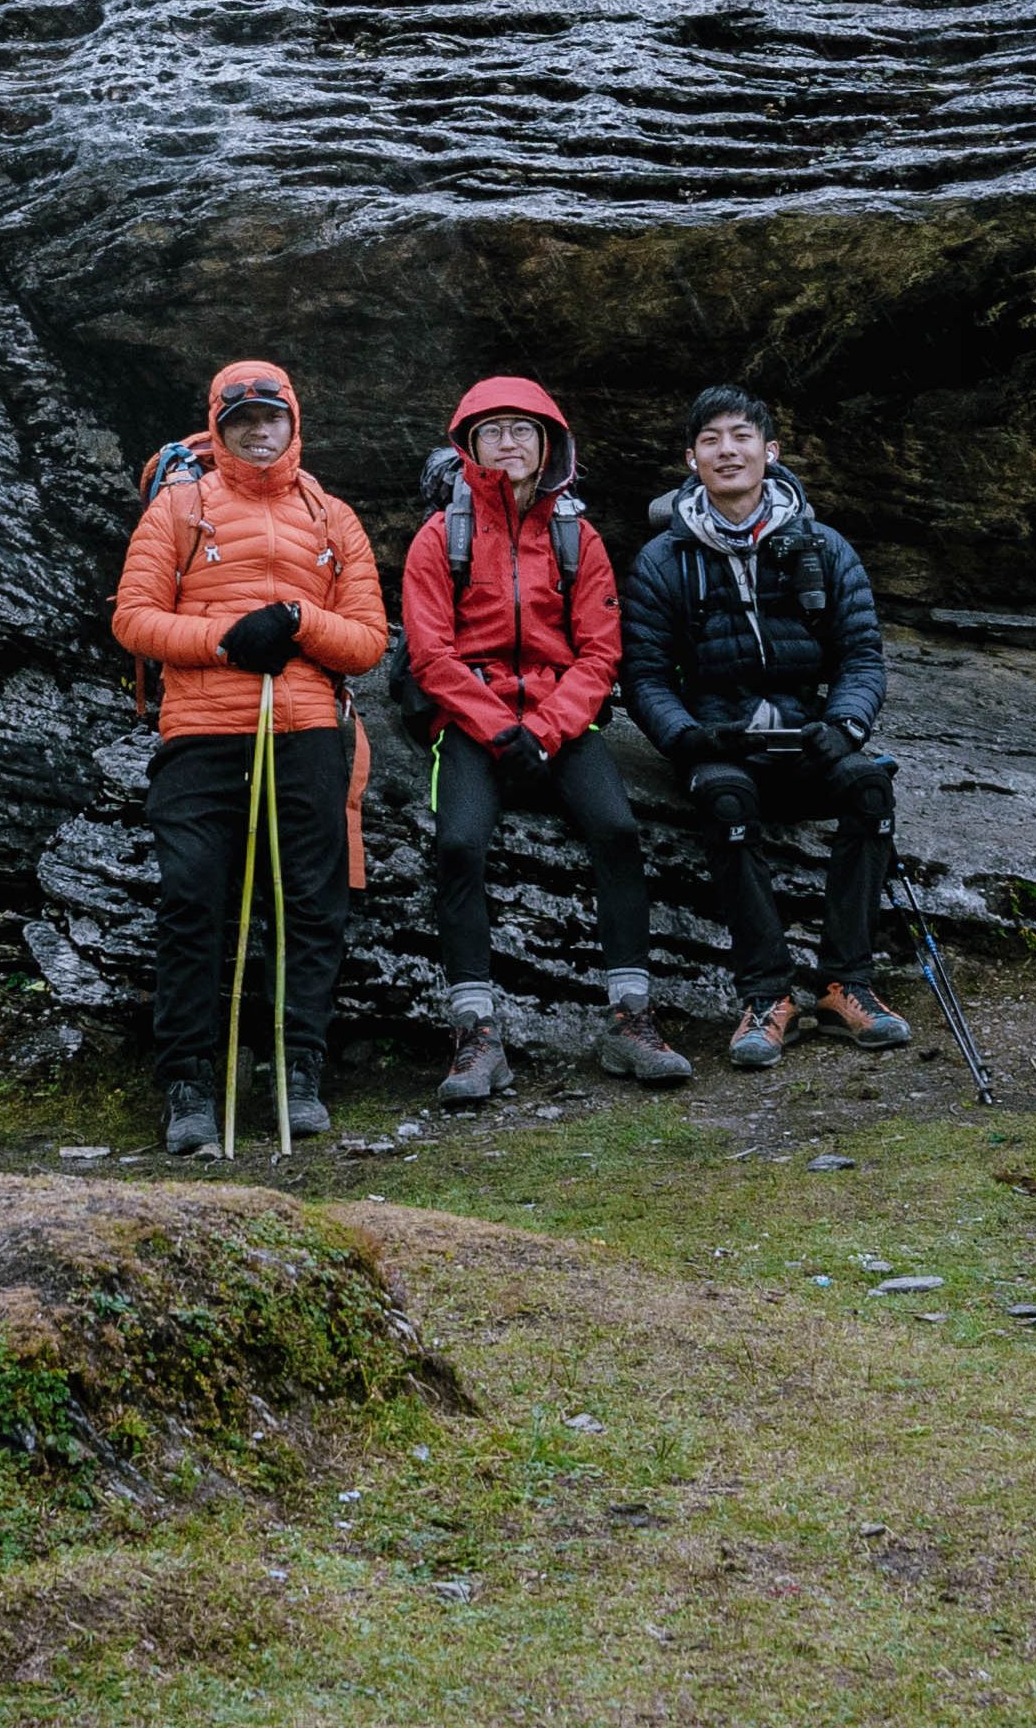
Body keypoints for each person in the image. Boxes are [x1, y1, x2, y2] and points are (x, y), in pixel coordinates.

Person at [110, 359, 388, 1156]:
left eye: (272, 416)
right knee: (193, 898)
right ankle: (189, 1081)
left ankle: (297, 1068)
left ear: (293, 421)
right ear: (218, 425)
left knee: (310, 902)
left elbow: (369, 639)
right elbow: (134, 619)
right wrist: (227, 642)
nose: (259, 430)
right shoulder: (178, 510)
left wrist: (297, 619)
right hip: (200, 732)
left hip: (305, 732)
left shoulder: (333, 516)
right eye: (242, 420)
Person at [398, 376, 686, 1098]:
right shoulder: (441, 536)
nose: (508, 441)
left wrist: (548, 728)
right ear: (468, 444)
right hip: (472, 721)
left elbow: (600, 650)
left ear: (549, 444)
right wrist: (499, 728)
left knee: (618, 830)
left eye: (523, 429)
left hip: (560, 717)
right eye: (492, 429)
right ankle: (476, 1033)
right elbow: (431, 654)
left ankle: (629, 1020)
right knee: (459, 842)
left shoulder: (575, 534)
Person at [620, 385, 908, 1070]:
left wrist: (846, 725)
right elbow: (646, 676)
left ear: (770, 450)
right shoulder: (664, 560)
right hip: (720, 742)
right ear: (691, 459)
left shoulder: (823, 547)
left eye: (742, 436)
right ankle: (767, 994)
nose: (728, 450)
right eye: (712, 439)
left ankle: (846, 984)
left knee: (869, 791)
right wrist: (685, 736)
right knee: (725, 802)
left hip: (811, 735)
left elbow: (861, 654)